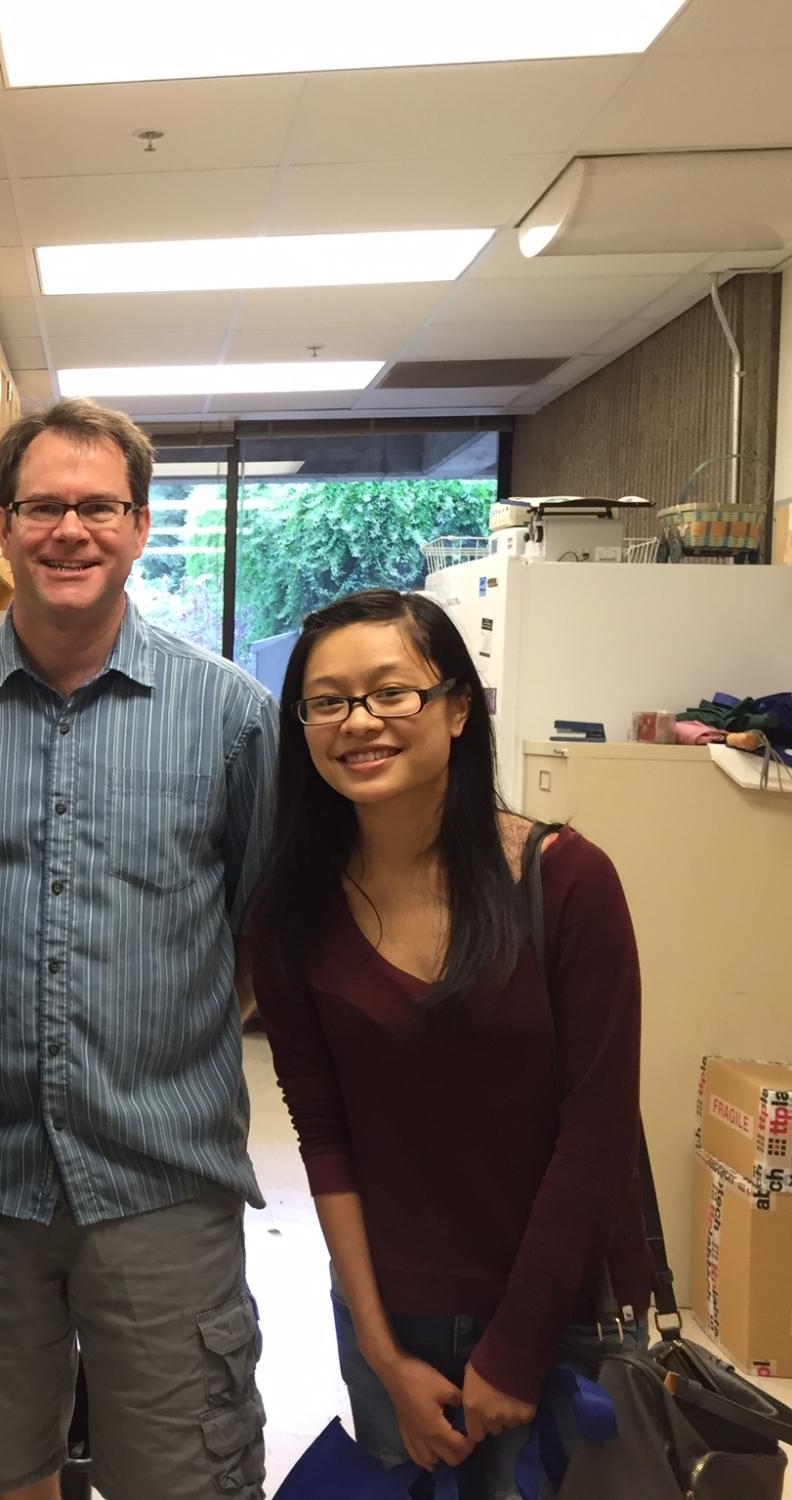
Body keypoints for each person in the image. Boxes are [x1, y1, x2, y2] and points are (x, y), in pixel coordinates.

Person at [0, 398, 276, 1500]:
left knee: (181, 1477)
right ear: (4, 524)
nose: (70, 530)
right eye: (43, 507)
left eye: (98, 507)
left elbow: (256, 930)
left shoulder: (230, 717)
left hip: (162, 1182)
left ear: (140, 525)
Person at [246, 589, 649, 1497]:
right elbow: (324, 1137)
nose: (359, 722)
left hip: (562, 1316)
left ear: (458, 708)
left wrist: (515, 1348)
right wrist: (380, 1349)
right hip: (395, 1320)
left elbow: (597, 1134)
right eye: (327, 702)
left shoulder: (566, 882)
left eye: (392, 692)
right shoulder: (290, 917)